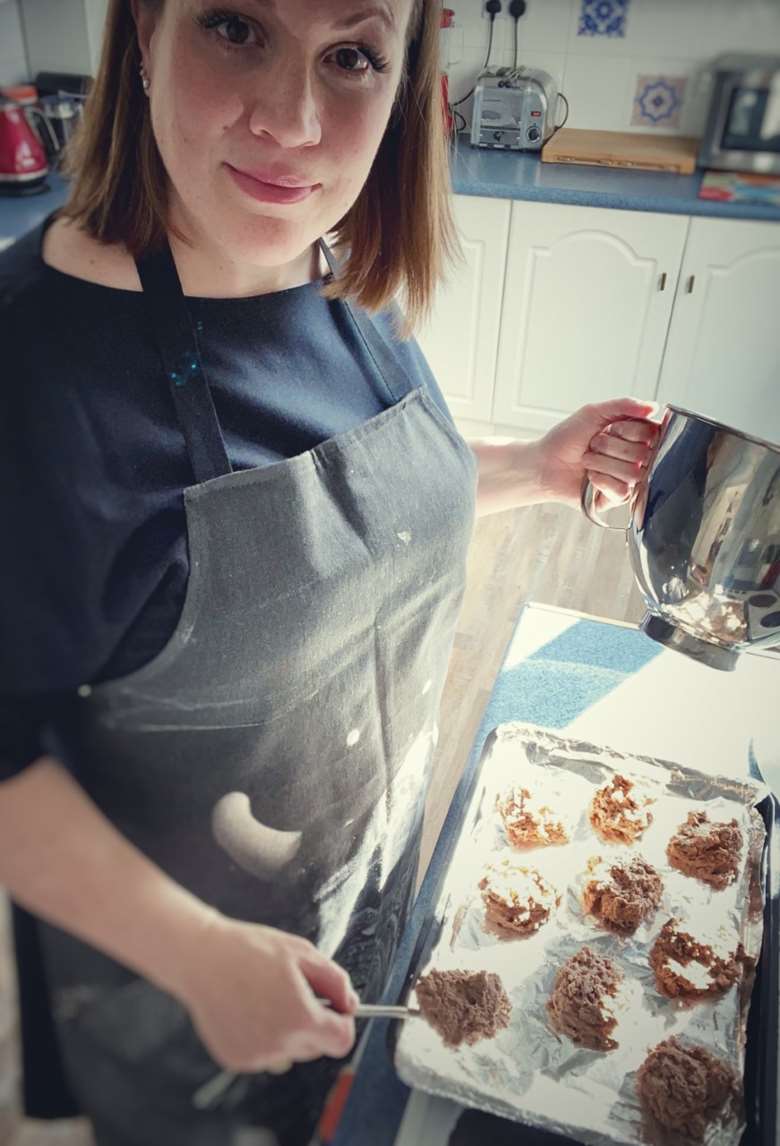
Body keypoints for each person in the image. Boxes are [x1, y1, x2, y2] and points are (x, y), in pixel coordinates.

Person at [0, 1, 659, 1143]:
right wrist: (198, 956)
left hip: (360, 880)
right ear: (145, 32)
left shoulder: (341, 273)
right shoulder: (31, 376)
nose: (294, 121)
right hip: (175, 972)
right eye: (236, 28)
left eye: (351, 56)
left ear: (404, 84)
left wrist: (522, 468)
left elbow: (359, 519)